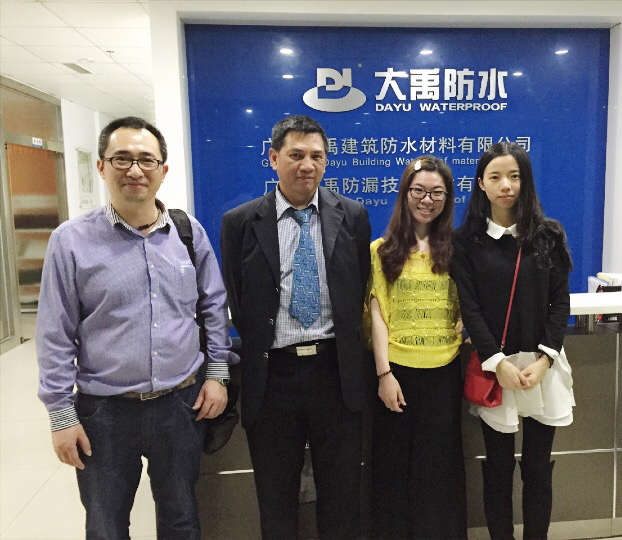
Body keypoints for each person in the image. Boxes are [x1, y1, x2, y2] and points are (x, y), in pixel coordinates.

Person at [36, 116, 237, 539]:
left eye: (147, 160)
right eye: (121, 159)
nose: (135, 170)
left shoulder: (188, 233)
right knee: (106, 525)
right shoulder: (70, 241)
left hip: (180, 405)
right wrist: (61, 415)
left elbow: (213, 306)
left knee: (181, 518)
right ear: (101, 167)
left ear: (163, 170)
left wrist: (217, 375)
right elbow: (55, 334)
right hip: (105, 412)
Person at [220, 115, 371, 539]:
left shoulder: (352, 216)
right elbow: (237, 297)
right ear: (273, 158)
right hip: (273, 378)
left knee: (341, 497)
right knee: (276, 497)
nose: (308, 165)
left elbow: (357, 287)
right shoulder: (240, 222)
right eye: (296, 155)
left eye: (317, 156)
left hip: (335, 374)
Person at [452, 142, 574, 540]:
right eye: (496, 177)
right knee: (499, 468)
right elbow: (470, 308)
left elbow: (560, 302)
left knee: (538, 467)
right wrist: (497, 362)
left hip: (541, 365)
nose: (506, 185)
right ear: (481, 184)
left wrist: (545, 359)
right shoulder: (466, 242)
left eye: (515, 176)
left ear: (525, 181)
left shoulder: (548, 234)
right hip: (495, 368)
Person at [366, 156, 467, 539]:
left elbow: (472, 302)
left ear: (447, 198)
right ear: (405, 193)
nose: (427, 200)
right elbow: (378, 313)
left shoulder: (457, 250)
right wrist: (384, 374)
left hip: (444, 372)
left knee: (439, 471)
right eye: (419, 191)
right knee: (393, 471)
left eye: (437, 193)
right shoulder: (381, 250)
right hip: (397, 374)